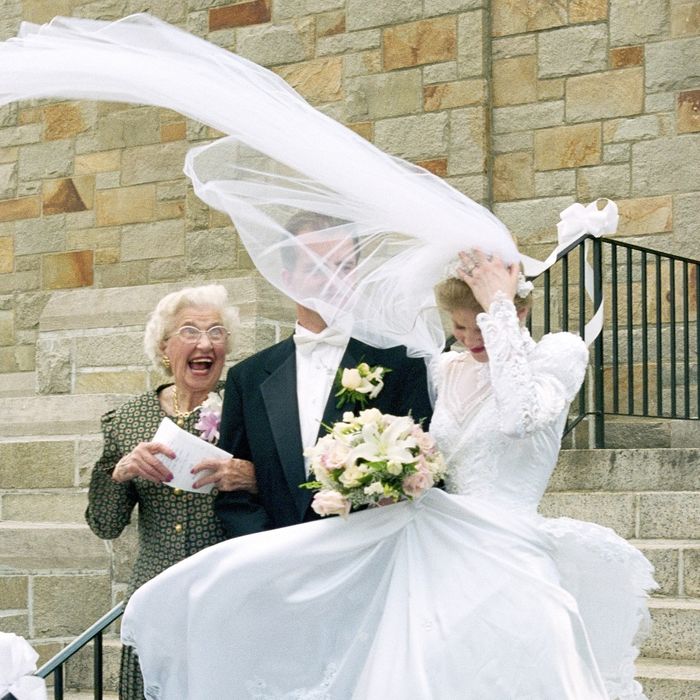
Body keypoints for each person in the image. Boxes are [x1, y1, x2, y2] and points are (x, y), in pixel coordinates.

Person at [120, 256, 655, 699]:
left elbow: (516, 418)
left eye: (479, 328)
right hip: (434, 550)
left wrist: (498, 307)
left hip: (505, 549)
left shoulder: (554, 356)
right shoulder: (446, 368)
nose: (470, 341)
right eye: (459, 329)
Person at [85, 284, 256, 700]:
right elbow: (105, 524)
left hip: (229, 594)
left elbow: (289, 488)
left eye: (217, 332)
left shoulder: (249, 406)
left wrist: (251, 476)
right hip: (155, 595)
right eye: (190, 331)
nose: (205, 343)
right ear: (164, 348)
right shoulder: (128, 420)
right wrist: (119, 473)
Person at [215, 211, 434, 537]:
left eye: (344, 266)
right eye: (317, 268)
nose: (333, 279)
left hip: (368, 556)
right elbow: (232, 490)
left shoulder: (401, 365)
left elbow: (424, 470)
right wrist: (272, 554)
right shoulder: (247, 379)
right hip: (276, 562)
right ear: (287, 278)